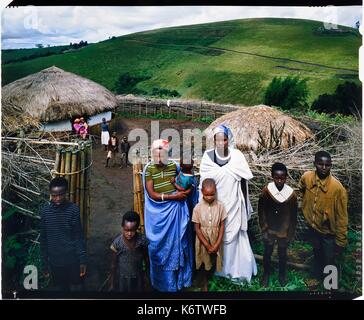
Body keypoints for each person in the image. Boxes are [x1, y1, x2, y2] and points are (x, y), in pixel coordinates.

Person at [199, 124, 257, 283]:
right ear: (214, 141)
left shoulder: (237, 156)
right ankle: (217, 269)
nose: (221, 143)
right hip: (215, 205)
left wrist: (245, 206)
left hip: (233, 204)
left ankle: (234, 270)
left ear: (228, 139)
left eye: (224, 139)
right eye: (217, 140)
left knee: (234, 236)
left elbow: (244, 182)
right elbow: (202, 185)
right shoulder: (207, 157)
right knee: (215, 235)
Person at [143, 139, 193, 292]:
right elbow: (152, 194)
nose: (159, 159)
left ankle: (179, 280)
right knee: (158, 246)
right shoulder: (149, 169)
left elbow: (186, 182)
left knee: (178, 242)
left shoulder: (174, 166)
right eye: (156, 155)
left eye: (162, 155)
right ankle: (161, 282)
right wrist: (173, 197)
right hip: (158, 214)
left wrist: (184, 192)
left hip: (176, 212)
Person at [299, 151, 348, 280]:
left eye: (327, 165)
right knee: (317, 252)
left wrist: (341, 240)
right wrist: (306, 208)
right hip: (313, 228)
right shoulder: (307, 177)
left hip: (328, 233)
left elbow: (342, 217)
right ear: (314, 164)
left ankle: (330, 287)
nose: (324, 167)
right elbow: (302, 190)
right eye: (320, 164)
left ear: (331, 165)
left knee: (330, 259)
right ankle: (316, 278)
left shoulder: (337, 188)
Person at [40, 177, 87, 292]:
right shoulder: (45, 211)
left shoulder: (73, 209)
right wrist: (44, 263)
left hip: (72, 259)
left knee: (77, 286)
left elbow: (78, 236)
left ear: (66, 193)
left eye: (61, 194)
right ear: (50, 194)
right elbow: (44, 238)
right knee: (61, 288)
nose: (58, 198)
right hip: (55, 261)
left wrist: (82, 260)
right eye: (54, 195)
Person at [258, 162, 297, 287]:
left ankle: (282, 274)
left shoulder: (291, 194)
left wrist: (290, 234)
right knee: (268, 252)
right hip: (269, 229)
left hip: (283, 230)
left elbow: (293, 216)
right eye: (277, 178)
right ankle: (266, 273)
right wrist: (264, 228)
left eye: (282, 178)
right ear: (272, 176)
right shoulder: (267, 191)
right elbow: (261, 210)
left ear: (286, 177)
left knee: (282, 253)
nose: (279, 181)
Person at [192, 178, 227, 291]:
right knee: (203, 259)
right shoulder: (197, 208)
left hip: (215, 238)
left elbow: (222, 226)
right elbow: (196, 228)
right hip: (203, 240)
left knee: (213, 259)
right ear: (202, 192)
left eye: (212, 195)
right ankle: (204, 283)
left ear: (215, 191)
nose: (209, 197)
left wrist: (217, 244)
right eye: (206, 195)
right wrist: (207, 245)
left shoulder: (220, 206)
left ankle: (209, 278)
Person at [109, 211, 149, 292]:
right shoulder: (117, 243)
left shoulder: (142, 240)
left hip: (138, 277)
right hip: (122, 278)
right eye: (126, 230)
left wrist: (146, 275)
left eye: (132, 230)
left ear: (137, 228)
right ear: (122, 227)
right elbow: (113, 265)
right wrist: (112, 283)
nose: (129, 233)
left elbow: (146, 259)